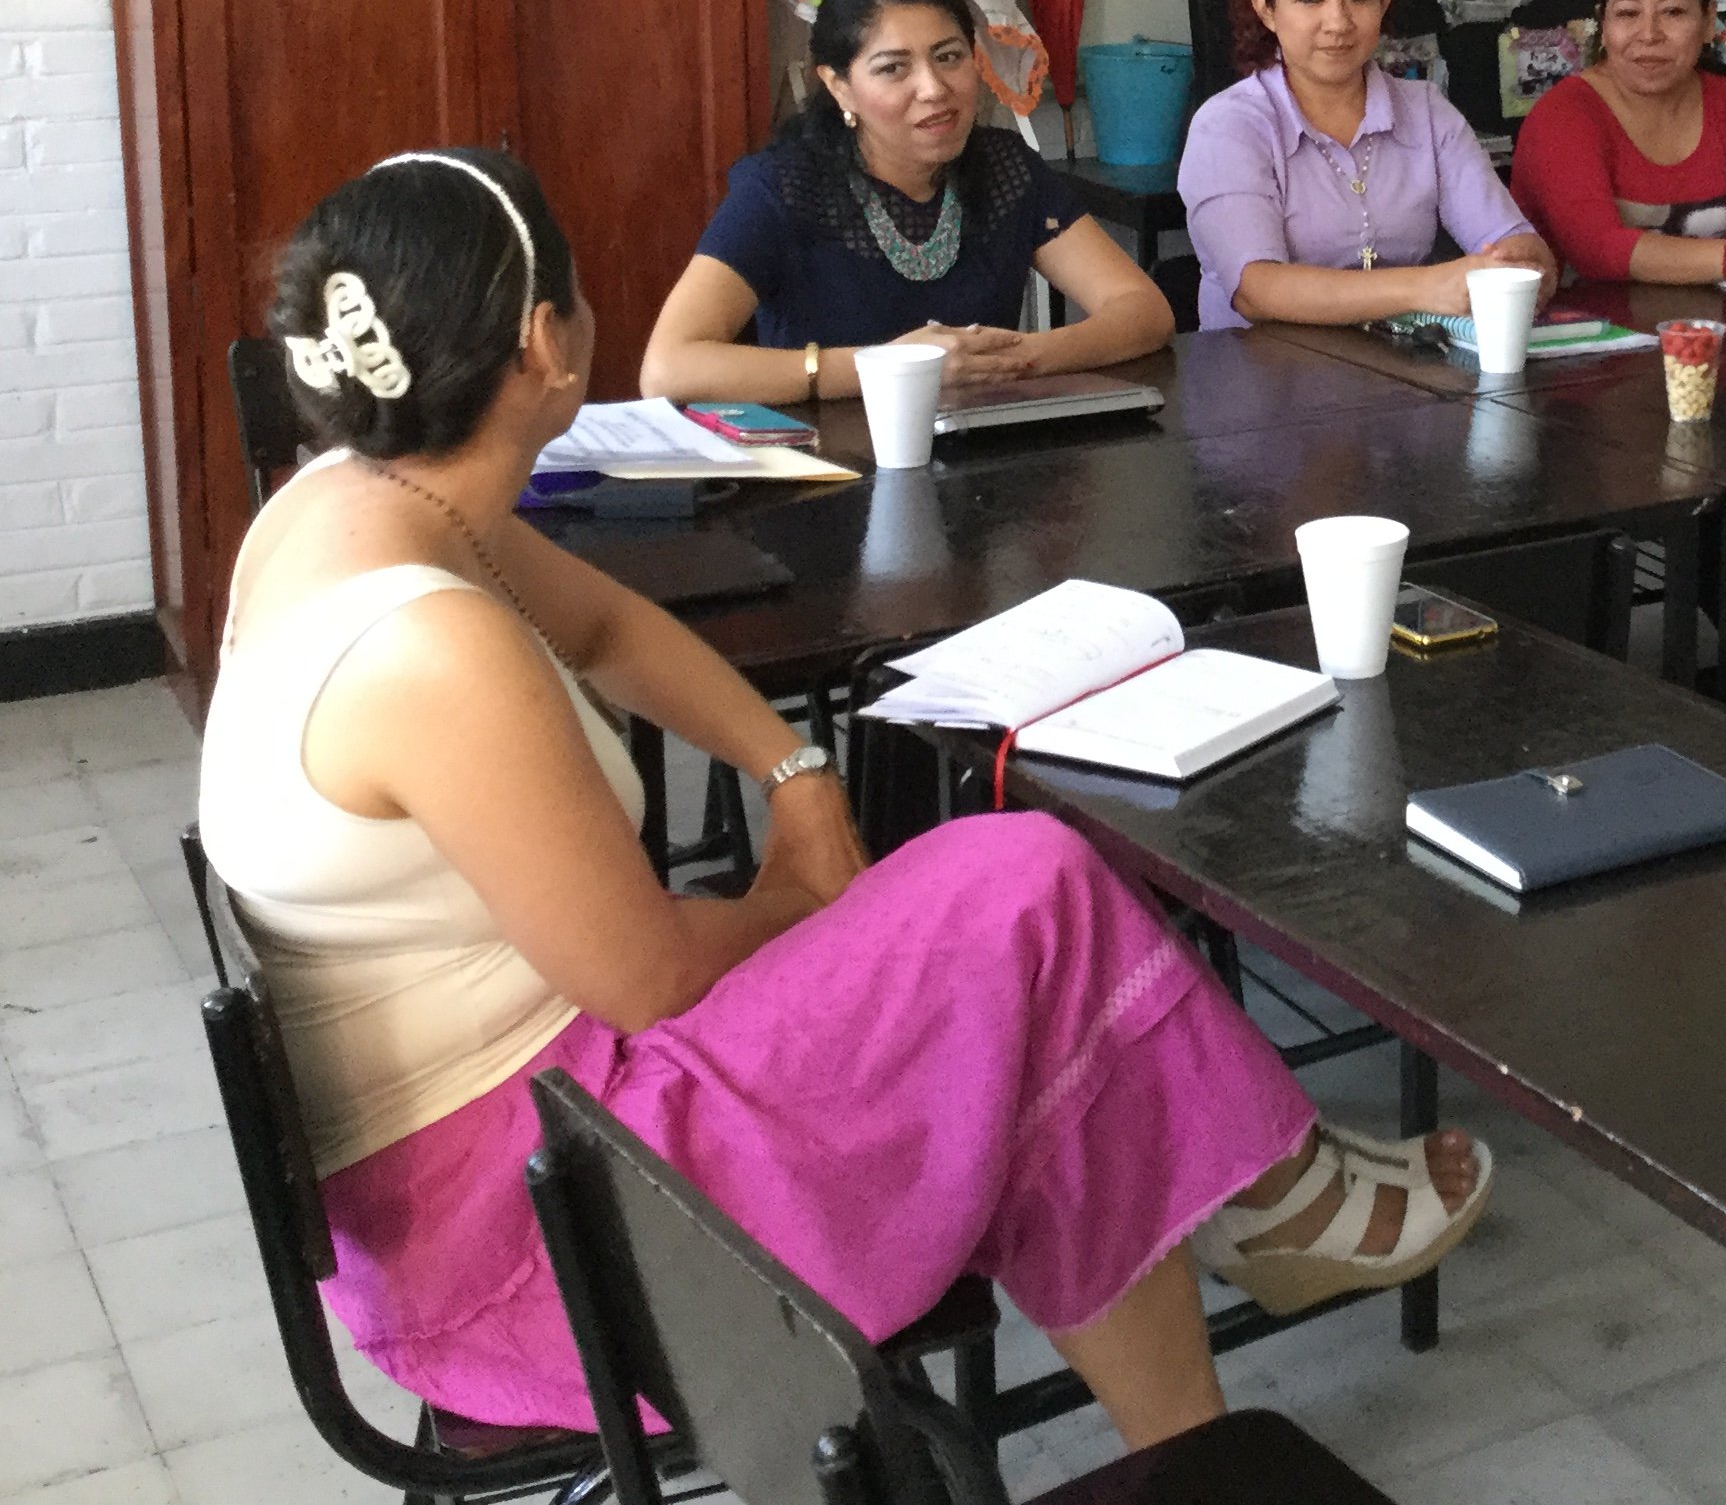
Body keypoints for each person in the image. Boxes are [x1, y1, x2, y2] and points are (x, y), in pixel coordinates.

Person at [202, 150, 1490, 1444]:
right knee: (1023, 890)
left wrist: (792, 772)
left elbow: (606, 626)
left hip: (520, 1159)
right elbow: (646, 976)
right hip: (541, 1242)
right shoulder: (430, 651)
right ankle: (1266, 1198)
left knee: (1021, 987)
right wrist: (804, 894)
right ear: (548, 341)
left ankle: (1200, 1412)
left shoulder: (352, 505)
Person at [642, 0, 1170, 405]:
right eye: (894, 68)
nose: (934, 88)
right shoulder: (782, 187)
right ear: (839, 86)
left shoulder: (1006, 168)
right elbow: (668, 368)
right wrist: (894, 369)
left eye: (949, 57)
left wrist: (1008, 361)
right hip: (828, 479)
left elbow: (1142, 311)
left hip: (982, 472)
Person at [1181, 0, 1554, 328]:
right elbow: (1256, 290)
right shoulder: (1227, 127)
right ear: (1266, 9)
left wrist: (1520, 261)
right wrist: (1427, 286)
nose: (1338, 22)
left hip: (1405, 370)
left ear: (1385, 0)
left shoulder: (1427, 111)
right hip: (1263, 379)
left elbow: (1515, 242)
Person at [1512, 0, 1726, 281]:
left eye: (1672, 11)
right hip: (1586, 331)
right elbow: (1598, 249)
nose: (1649, 34)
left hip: (1712, 329)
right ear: (1604, 22)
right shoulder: (1564, 114)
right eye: (1628, 14)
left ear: (1707, 22)